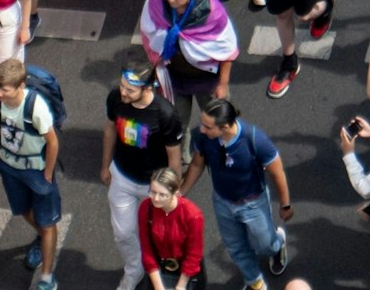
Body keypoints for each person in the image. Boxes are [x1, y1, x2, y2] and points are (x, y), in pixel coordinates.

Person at [181, 98, 292, 290]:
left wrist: (285, 205)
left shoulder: (255, 139)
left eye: (207, 127)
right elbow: (198, 164)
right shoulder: (205, 138)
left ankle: (277, 243)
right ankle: (255, 283)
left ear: (224, 127)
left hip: (253, 202)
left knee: (264, 245)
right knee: (236, 247)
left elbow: (277, 172)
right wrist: (181, 193)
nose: (201, 130)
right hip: (222, 201)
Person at [101, 48, 184, 290]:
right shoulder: (115, 99)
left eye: (130, 89)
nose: (123, 92)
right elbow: (109, 130)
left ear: (147, 89)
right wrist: (105, 165)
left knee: (157, 234)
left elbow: (175, 159)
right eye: (122, 86)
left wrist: (173, 192)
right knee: (123, 233)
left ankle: (156, 268)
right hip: (122, 177)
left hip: (153, 186)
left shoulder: (166, 114)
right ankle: (134, 269)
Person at [0, 58, 60, 290]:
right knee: (23, 210)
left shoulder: (37, 108)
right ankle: (42, 238)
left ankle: (47, 278)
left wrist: (47, 173)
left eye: (4, 90)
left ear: (21, 86)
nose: (0, 94)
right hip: (10, 167)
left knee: (47, 223)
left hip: (36, 172)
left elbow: (53, 143)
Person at [139, 0, 239, 127]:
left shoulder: (212, 12)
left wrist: (222, 84)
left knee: (217, 125)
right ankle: (181, 154)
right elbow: (148, 30)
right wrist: (157, 67)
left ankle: (219, 152)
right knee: (176, 126)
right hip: (174, 79)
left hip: (207, 80)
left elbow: (227, 51)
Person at [137, 169, 204, 290]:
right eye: (153, 192)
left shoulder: (192, 215)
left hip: (186, 272)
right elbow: (146, 248)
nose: (156, 199)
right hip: (159, 268)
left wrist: (180, 286)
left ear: (176, 192)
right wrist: (158, 286)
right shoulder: (146, 208)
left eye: (162, 194)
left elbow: (194, 254)